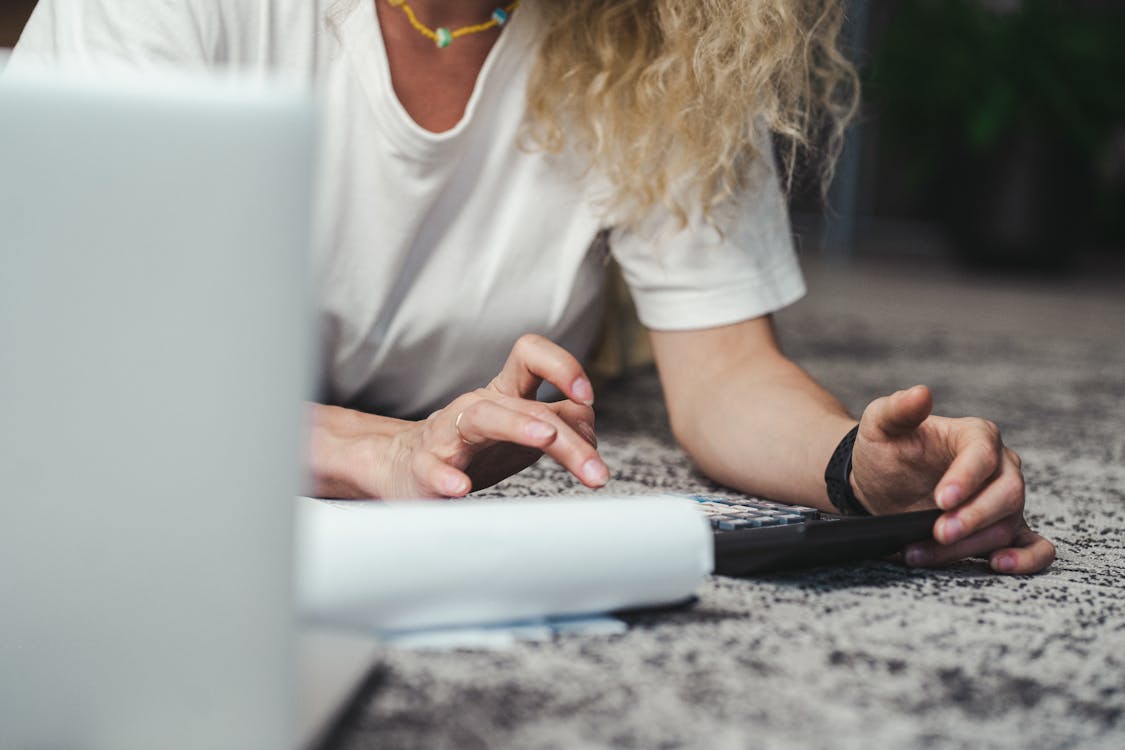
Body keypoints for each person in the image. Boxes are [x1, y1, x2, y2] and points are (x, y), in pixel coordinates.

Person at [9, 0, 1055, 574]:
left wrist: (858, 472)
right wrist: (380, 449)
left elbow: (728, 369)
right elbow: (67, 363)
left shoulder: (670, 33)